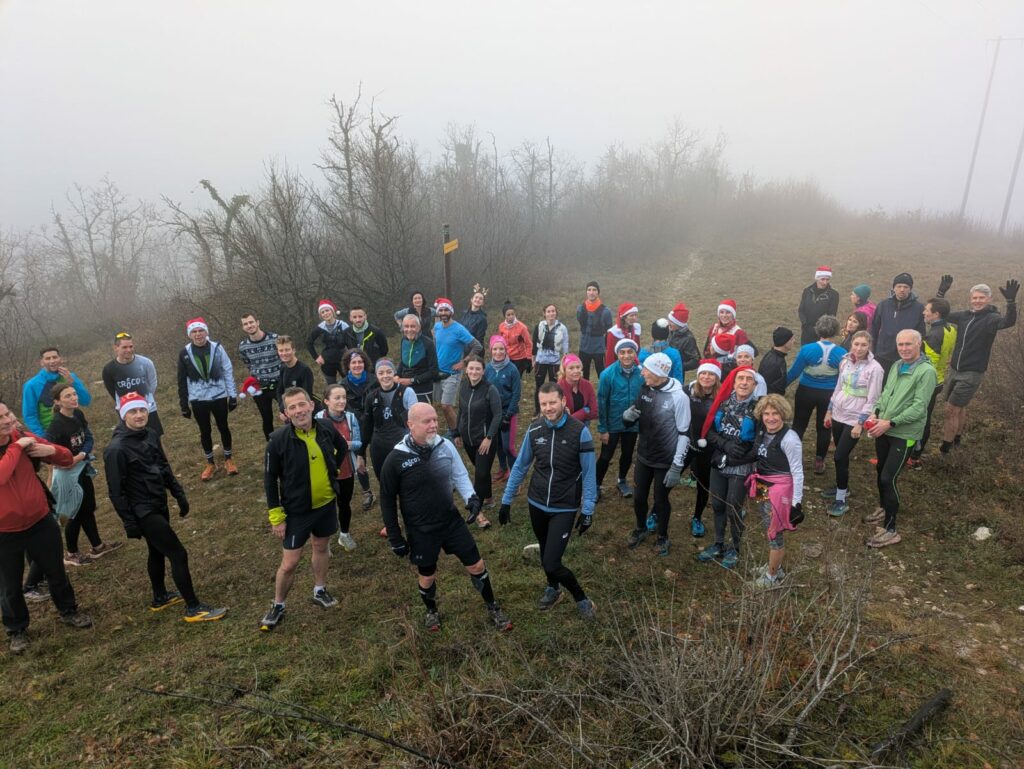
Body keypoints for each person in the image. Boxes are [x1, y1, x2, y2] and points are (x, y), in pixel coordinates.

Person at [380, 402, 512, 633]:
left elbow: (459, 474)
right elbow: (387, 501)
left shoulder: (445, 445)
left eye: (435, 420)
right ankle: (431, 611)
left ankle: (492, 606)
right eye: (426, 421)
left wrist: (471, 499)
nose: (433, 425)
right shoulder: (396, 459)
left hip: (451, 521)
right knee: (427, 575)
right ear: (410, 425)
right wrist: (395, 537)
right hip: (421, 529)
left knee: (477, 564)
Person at [105, 392, 227, 622]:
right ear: (123, 416)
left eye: (142, 410)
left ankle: (160, 597)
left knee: (156, 550)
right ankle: (194, 608)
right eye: (133, 411)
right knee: (178, 553)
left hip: (158, 501)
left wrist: (178, 494)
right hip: (143, 510)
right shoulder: (116, 449)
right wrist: (129, 522)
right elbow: (115, 491)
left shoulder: (150, 434)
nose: (139, 415)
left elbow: (163, 466)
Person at [1, 399, 93, 655]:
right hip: (4, 531)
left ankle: (69, 610)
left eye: (8, 413)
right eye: (1, 418)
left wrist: (48, 452)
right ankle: (16, 630)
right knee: (9, 584)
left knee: (55, 570)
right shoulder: (19, 443)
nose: (8, 420)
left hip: (40, 519)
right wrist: (18, 448)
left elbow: (65, 458)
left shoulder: (22, 437)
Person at [499, 383, 597, 619]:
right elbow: (521, 466)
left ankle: (582, 599)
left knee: (552, 562)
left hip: (565, 506)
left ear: (563, 401)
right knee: (545, 554)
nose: (548, 408)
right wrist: (506, 500)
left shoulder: (580, 432)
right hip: (537, 502)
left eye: (553, 402)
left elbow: (589, 473)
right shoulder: (534, 430)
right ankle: (553, 588)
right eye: (544, 404)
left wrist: (588, 510)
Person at [259, 387, 348, 631]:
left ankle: (319, 589)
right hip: (297, 511)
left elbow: (343, 448)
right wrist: (276, 516)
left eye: (301, 405)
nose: (298, 411)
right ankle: (278, 604)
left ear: (311, 405)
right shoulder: (277, 441)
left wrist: (335, 471)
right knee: (290, 563)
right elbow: (269, 480)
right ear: (286, 413)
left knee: (321, 547)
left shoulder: (326, 427)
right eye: (292, 408)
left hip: (326, 504)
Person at [863, 330, 938, 548]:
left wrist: (891, 422)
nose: (904, 348)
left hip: (903, 433)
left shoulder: (926, 372)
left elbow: (919, 407)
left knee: (888, 478)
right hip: (883, 428)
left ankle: (891, 528)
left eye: (908, 344)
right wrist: (876, 412)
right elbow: (887, 393)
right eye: (900, 344)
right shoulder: (897, 365)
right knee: (880, 471)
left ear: (919, 344)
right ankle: (884, 507)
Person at [935, 275, 1018, 453]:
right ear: (970, 299)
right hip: (955, 369)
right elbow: (943, 313)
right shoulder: (965, 316)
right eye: (975, 298)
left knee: (950, 409)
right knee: (959, 407)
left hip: (972, 373)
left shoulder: (992, 318)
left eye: (981, 298)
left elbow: (1008, 322)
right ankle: (957, 438)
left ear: (989, 299)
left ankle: (945, 449)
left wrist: (1011, 302)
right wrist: (941, 293)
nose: (978, 301)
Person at [621, 353, 691, 557]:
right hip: (644, 455)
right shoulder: (645, 388)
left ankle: (662, 536)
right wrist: (627, 418)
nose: (642, 372)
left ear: (659, 373)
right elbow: (635, 415)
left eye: (646, 369)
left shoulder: (679, 397)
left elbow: (685, 434)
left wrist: (677, 466)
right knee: (639, 497)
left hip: (665, 460)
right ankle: (641, 528)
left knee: (661, 501)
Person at [46, 383, 121, 566]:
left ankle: (97, 546)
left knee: (88, 506)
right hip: (67, 475)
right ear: (57, 401)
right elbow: (48, 454)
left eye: (74, 394)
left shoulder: (78, 414)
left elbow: (88, 436)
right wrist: (65, 461)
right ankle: (71, 553)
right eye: (68, 396)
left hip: (81, 467)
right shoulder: (56, 426)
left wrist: (81, 455)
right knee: (75, 512)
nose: (73, 398)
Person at [696, 366, 760, 569]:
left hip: (741, 464)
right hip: (719, 459)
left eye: (748, 379)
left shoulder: (759, 408)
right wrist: (725, 445)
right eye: (740, 378)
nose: (743, 382)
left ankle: (735, 547)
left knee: (733, 508)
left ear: (755, 385)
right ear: (733, 382)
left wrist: (740, 456)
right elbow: (709, 431)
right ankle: (718, 543)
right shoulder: (722, 403)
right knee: (717, 505)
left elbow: (760, 442)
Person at [821, 331, 883, 517]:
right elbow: (839, 386)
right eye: (856, 344)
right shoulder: (845, 361)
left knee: (839, 456)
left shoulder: (875, 369)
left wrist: (860, 423)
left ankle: (841, 499)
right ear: (851, 345)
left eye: (864, 345)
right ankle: (843, 487)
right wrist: (829, 410)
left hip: (855, 418)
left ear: (869, 346)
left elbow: (873, 399)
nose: (859, 348)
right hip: (839, 413)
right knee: (840, 454)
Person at [747, 394, 804, 588]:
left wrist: (797, 503)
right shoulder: (763, 432)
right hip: (763, 485)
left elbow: (797, 471)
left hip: (779, 490)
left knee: (775, 532)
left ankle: (771, 577)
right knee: (767, 525)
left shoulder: (790, 439)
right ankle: (775, 567)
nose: (771, 418)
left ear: (783, 414)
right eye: (767, 413)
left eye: (775, 414)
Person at [176, 317, 238, 481]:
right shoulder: (185, 352)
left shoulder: (217, 348)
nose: (198, 334)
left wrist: (232, 395)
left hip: (219, 396)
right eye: (194, 332)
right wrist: (184, 404)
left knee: (223, 426)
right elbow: (181, 380)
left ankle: (228, 459)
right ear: (190, 334)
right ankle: (210, 463)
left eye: (201, 330)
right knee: (205, 431)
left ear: (206, 332)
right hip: (198, 399)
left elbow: (227, 371)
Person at [786, 315, 845, 474]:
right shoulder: (841, 353)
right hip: (828, 394)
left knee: (799, 424)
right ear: (836, 331)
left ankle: (791, 458)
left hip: (806, 391)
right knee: (824, 427)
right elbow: (844, 378)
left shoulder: (807, 349)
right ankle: (819, 461)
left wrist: (779, 386)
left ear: (818, 329)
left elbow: (793, 373)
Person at [452, 356, 501, 526]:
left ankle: (477, 511)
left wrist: (489, 438)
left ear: (483, 371)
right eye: (471, 368)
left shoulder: (490, 389)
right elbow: (460, 411)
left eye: (477, 369)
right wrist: (457, 432)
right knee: (482, 471)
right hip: (467, 439)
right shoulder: (463, 387)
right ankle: (489, 498)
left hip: (484, 440)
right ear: (466, 370)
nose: (474, 372)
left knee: (480, 474)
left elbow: (498, 415)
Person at [316, 384, 363, 551]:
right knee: (327, 507)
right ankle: (325, 541)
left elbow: (359, 442)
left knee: (344, 504)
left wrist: (347, 444)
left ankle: (344, 534)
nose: (342, 401)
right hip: (325, 471)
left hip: (346, 469)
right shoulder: (319, 418)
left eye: (344, 397)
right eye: (337, 398)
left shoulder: (350, 418)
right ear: (326, 401)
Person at [910, 297, 956, 468]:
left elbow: (930, 362)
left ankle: (915, 455)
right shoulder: (950, 328)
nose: (924, 312)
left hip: (929, 382)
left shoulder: (934, 334)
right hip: (940, 379)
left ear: (936, 314)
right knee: (925, 416)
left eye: (927, 310)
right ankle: (915, 454)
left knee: (921, 418)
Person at [596, 339, 643, 498]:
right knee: (605, 456)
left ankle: (622, 480)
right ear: (617, 354)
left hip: (632, 424)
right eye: (622, 352)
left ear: (635, 353)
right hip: (613, 423)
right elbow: (602, 402)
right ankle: (596, 484)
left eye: (630, 352)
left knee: (628, 454)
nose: (626, 356)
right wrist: (603, 428)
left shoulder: (641, 373)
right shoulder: (607, 375)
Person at [362, 359, 420, 482]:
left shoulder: (407, 392)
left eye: (389, 372)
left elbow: (416, 421)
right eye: (381, 373)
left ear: (394, 373)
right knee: (384, 481)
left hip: (403, 444)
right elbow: (367, 425)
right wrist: (360, 453)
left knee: (406, 481)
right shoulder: (371, 397)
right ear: (376, 375)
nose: (385, 376)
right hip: (379, 446)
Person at [433, 297, 484, 434]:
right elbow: (436, 344)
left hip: (452, 373)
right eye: (441, 310)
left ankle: (458, 433)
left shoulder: (459, 329)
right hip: (438, 372)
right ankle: (453, 429)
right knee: (442, 405)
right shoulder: (437, 326)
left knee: (446, 406)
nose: (443, 312)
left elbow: (477, 346)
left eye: (446, 310)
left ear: (451, 312)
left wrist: (464, 362)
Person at [684, 360, 722, 537]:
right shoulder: (687, 390)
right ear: (698, 375)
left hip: (709, 448)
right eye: (703, 374)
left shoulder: (723, 397)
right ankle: (655, 512)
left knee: (703, 484)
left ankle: (697, 517)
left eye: (711, 374)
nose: (706, 377)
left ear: (717, 378)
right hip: (686, 444)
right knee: (669, 476)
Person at [102, 331, 163, 439]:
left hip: (148, 408)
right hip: (127, 411)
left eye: (131, 346)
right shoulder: (109, 369)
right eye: (124, 347)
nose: (129, 350)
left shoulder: (146, 363)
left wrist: (144, 400)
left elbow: (152, 383)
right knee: (134, 441)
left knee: (156, 438)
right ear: (116, 348)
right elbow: (112, 390)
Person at [22, 347, 92, 438]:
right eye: (48, 358)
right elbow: (29, 415)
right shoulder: (31, 385)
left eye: (55, 357)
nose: (52, 361)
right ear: (41, 362)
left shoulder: (70, 376)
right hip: (51, 432)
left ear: (61, 359)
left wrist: (73, 382)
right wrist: (43, 437)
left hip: (75, 427)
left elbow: (86, 401)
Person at [339, 349, 377, 511]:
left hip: (375, 424)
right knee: (359, 461)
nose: (357, 365)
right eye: (353, 362)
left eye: (360, 362)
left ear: (365, 363)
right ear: (348, 365)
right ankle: (368, 493)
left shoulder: (374, 380)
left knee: (379, 456)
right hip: (354, 426)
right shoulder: (342, 385)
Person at [871, 273, 925, 381]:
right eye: (899, 286)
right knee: (880, 385)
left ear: (910, 289)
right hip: (882, 355)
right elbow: (874, 329)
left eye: (906, 287)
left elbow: (921, 334)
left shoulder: (918, 308)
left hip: (905, 357)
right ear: (893, 288)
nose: (902, 290)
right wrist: (874, 351)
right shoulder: (884, 305)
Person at [238, 313, 281, 441]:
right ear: (243, 327)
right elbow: (248, 364)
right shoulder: (243, 346)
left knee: (288, 413)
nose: (249, 325)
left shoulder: (275, 338)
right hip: (259, 387)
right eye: (245, 324)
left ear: (257, 322)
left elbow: (284, 357)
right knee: (266, 418)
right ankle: (271, 445)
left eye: (251, 322)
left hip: (279, 383)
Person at [485, 335, 522, 483]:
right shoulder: (487, 368)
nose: (498, 352)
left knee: (508, 447)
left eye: (501, 349)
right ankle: (503, 468)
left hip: (508, 413)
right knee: (498, 444)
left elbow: (516, 394)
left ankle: (516, 476)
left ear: (506, 350)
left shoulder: (512, 369)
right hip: (493, 414)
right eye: (495, 349)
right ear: (491, 350)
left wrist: (508, 415)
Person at [396, 313, 440, 403]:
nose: (409, 330)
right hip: (404, 388)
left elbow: (434, 371)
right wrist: (396, 375)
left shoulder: (428, 343)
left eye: (413, 326)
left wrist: (411, 380)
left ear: (419, 327)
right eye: (406, 326)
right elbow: (403, 361)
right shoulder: (403, 340)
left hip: (422, 390)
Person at [532, 303, 570, 407]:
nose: (551, 313)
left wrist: (565, 359)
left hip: (555, 362)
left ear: (556, 313)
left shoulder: (562, 328)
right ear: (544, 313)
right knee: (539, 386)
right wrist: (533, 358)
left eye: (553, 311)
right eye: (548, 311)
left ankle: (555, 407)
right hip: (540, 360)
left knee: (554, 386)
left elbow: (565, 344)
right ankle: (538, 411)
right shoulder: (539, 326)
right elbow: (534, 342)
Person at [576, 281, 613, 380]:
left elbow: (609, 332)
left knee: (603, 375)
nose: (591, 292)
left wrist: (607, 347)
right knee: (583, 376)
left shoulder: (606, 311)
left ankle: (604, 394)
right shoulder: (580, 309)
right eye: (589, 290)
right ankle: (584, 395)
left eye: (594, 290)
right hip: (584, 347)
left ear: (598, 292)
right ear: (586, 292)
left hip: (599, 348)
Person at [307, 299, 350, 384]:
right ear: (321, 315)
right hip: (327, 362)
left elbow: (352, 342)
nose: (325, 313)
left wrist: (352, 356)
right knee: (331, 386)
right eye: (322, 312)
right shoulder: (319, 328)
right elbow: (309, 342)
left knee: (349, 383)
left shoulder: (343, 325)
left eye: (327, 310)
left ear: (332, 311)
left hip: (343, 359)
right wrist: (316, 357)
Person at [797, 266, 840, 345]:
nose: (825, 282)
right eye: (822, 279)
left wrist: (822, 330)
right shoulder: (807, 291)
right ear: (817, 278)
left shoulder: (834, 295)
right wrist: (805, 324)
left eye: (827, 279)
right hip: (806, 332)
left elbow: (831, 315)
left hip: (822, 334)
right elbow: (801, 310)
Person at [275, 335, 317, 412]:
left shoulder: (304, 370)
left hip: (303, 410)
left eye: (287, 350)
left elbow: (307, 395)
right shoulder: (283, 368)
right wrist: (283, 409)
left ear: (294, 350)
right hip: (288, 408)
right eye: (281, 350)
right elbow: (279, 390)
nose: (284, 353)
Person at [556, 353, 597, 425]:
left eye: (578, 367)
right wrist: (585, 411)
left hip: (583, 423)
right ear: (564, 370)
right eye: (571, 368)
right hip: (564, 426)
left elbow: (594, 411)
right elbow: (556, 414)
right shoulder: (558, 387)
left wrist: (577, 415)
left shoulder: (587, 385)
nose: (576, 371)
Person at [638, 318, 683, 383]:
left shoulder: (643, 352)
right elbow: (678, 378)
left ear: (652, 334)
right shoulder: (675, 353)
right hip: (668, 390)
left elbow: (640, 375)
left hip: (648, 390)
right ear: (667, 334)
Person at [498, 300, 533, 376]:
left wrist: (529, 359)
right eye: (508, 315)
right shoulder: (501, 326)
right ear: (504, 316)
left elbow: (528, 344)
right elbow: (501, 342)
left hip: (519, 358)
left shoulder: (522, 327)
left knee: (515, 379)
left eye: (512, 314)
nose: (511, 316)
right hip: (506, 357)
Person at [666, 302, 701, 374]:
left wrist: (678, 366)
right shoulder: (671, 331)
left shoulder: (688, 339)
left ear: (679, 324)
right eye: (669, 320)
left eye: (672, 321)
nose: (668, 323)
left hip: (676, 374)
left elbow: (696, 361)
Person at [758, 327, 794, 396]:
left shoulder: (775, 356)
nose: (794, 341)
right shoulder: (774, 363)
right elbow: (766, 387)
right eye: (791, 339)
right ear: (784, 342)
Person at [604, 302, 641, 367]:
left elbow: (637, 350)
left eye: (635, 315)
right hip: (618, 366)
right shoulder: (614, 332)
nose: (634, 318)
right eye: (631, 315)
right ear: (624, 317)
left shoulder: (636, 328)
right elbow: (610, 355)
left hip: (633, 364)